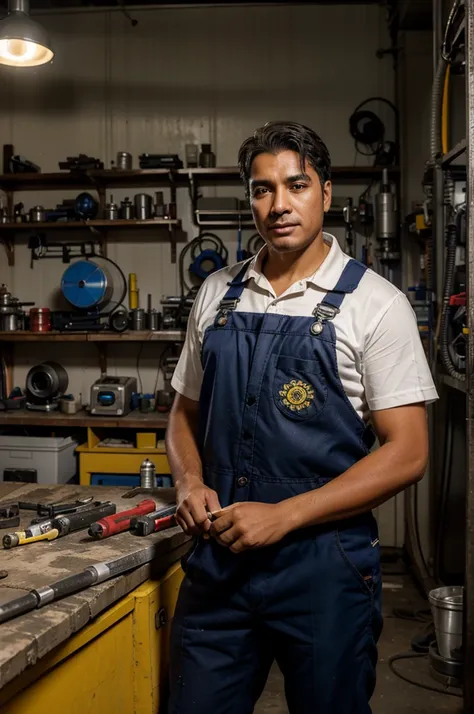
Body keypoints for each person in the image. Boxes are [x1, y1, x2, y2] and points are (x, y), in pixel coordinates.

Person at [165, 121, 438, 714]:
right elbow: (184, 410)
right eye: (263, 190)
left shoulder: (375, 305)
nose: (279, 205)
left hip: (324, 567)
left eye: (297, 185)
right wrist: (188, 480)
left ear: (327, 193)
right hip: (220, 559)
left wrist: (285, 516)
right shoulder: (216, 294)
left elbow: (409, 451)